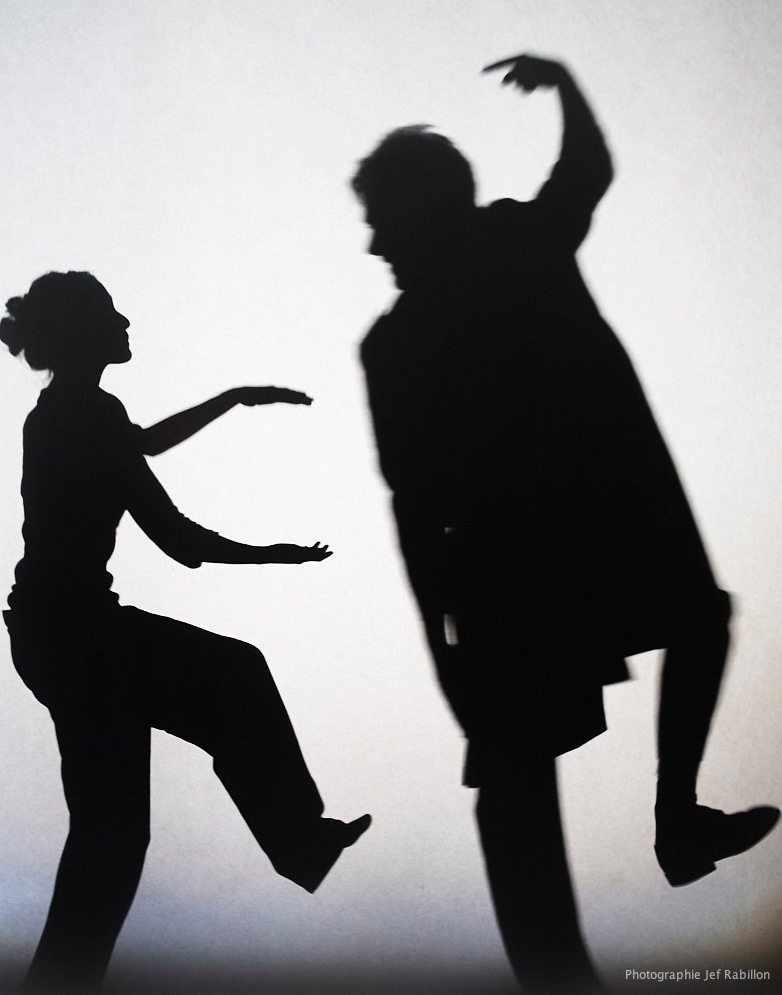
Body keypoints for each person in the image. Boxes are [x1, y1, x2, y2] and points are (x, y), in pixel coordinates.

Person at [354, 53, 778, 993]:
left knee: (536, 761)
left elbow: (412, 513)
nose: (374, 244)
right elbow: (587, 171)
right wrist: (566, 88)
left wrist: (441, 645)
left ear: (429, 207)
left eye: (382, 219)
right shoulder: (472, 279)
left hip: (547, 555)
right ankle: (671, 826)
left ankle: (671, 829)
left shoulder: (463, 286)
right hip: (547, 556)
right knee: (533, 765)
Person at [1, 271, 370, 991]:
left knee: (111, 836)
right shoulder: (84, 415)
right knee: (235, 677)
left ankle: (299, 841)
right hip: (80, 641)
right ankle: (300, 839)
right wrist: (274, 554)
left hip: (62, 637)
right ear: (82, 332)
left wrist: (231, 400)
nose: (126, 323)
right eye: (112, 314)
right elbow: (177, 538)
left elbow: (141, 445)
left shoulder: (72, 410)